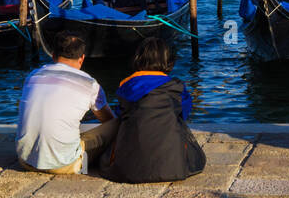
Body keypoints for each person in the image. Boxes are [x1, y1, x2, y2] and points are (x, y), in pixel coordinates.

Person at [100, 38, 206, 183]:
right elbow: (184, 114)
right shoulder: (177, 87)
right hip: (174, 166)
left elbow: (121, 114)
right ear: (168, 61)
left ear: (138, 59)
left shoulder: (126, 85)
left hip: (128, 169)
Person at [15, 32, 115, 173]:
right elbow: (107, 119)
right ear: (81, 59)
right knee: (116, 124)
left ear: (53, 55)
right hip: (64, 165)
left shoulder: (33, 75)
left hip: (25, 161)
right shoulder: (90, 83)